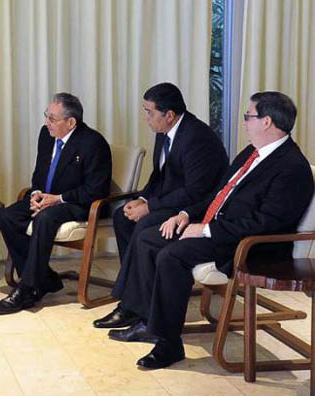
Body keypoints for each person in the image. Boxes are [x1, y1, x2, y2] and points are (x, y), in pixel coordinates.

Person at [108, 91, 314, 369]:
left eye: (248, 116)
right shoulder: (251, 152)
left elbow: (266, 224)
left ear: (266, 122)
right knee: (148, 237)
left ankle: (168, 343)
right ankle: (143, 316)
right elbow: (219, 195)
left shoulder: (292, 167)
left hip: (249, 244)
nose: (244, 122)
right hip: (221, 229)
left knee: (171, 255)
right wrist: (185, 215)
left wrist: (205, 231)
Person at [94, 82, 228, 329]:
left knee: (146, 224)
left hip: (195, 208)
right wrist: (143, 199)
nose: (145, 118)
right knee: (123, 218)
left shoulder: (198, 139)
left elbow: (195, 191)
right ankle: (137, 295)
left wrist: (151, 208)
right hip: (172, 201)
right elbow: (159, 175)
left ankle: (131, 304)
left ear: (169, 114)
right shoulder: (164, 130)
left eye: (149, 112)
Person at [0, 93, 112, 315]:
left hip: (79, 204)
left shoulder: (93, 143)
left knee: (45, 218)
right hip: (48, 199)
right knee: (6, 216)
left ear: (71, 122)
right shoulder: (46, 135)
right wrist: (37, 194)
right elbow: (39, 173)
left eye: (52, 118)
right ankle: (45, 278)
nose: (47, 122)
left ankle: (28, 289)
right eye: (47, 116)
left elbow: (96, 190)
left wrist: (57, 199)